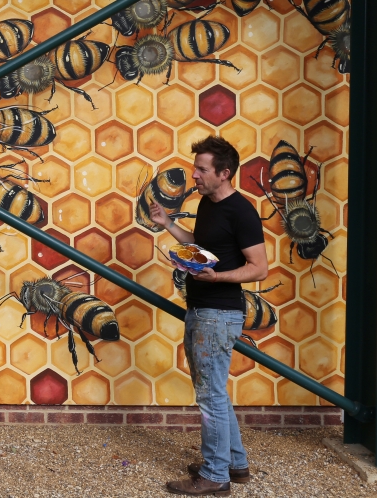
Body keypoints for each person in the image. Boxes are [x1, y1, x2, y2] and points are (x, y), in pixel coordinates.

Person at [149, 136, 268, 496]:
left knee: (210, 397)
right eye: (195, 168)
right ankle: (235, 464)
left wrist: (218, 277)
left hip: (218, 315)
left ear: (224, 173)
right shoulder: (207, 204)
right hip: (202, 310)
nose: (194, 175)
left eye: (202, 169)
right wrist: (168, 223)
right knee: (215, 392)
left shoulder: (241, 212)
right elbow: (202, 249)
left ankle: (215, 476)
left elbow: (259, 268)